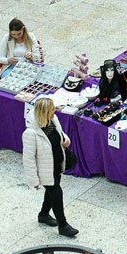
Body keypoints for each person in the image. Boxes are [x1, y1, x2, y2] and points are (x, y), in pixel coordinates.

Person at [23, 97, 78, 237]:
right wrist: (34, 181)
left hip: (57, 165)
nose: (55, 111)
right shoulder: (30, 134)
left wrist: (65, 139)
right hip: (46, 170)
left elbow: (59, 134)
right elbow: (28, 159)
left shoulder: (53, 120)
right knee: (57, 194)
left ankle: (43, 214)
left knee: (51, 192)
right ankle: (63, 225)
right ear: (44, 112)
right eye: (52, 109)